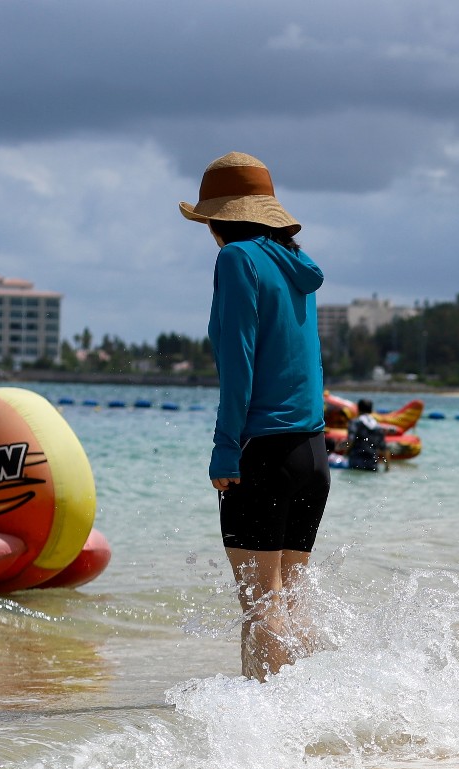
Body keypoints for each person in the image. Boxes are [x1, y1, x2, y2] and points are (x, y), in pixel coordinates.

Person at [181, 151, 329, 678]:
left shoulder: (237, 259)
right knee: (292, 602)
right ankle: (311, 714)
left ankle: (266, 734)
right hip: (311, 455)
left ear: (219, 218)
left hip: (262, 452)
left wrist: (225, 447)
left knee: (262, 605)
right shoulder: (296, 267)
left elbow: (239, 363)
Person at [345, 398, 386, 472]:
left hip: (356, 462)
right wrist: (387, 467)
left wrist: (345, 453)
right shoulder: (377, 426)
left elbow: (351, 440)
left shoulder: (355, 423)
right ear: (371, 410)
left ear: (358, 408)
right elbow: (384, 448)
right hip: (372, 464)